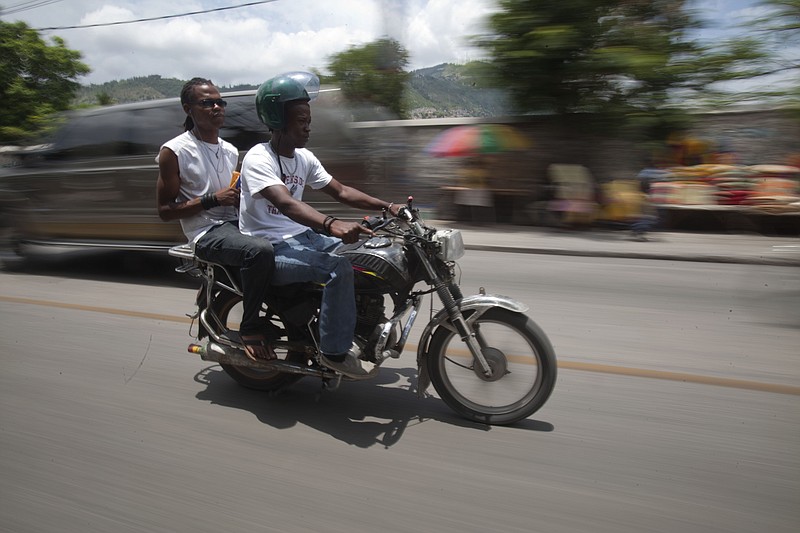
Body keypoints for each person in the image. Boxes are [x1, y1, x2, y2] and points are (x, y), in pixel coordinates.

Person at [238, 72, 400, 379]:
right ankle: (334, 352)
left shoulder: (304, 158)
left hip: (304, 238)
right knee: (336, 269)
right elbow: (286, 203)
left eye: (308, 119)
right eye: (301, 120)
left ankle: (367, 324)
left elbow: (341, 191)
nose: (308, 126)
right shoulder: (258, 159)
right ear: (278, 120)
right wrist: (331, 223)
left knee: (365, 256)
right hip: (271, 248)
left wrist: (387, 206)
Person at [156, 78, 276, 361]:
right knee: (259, 251)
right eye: (207, 103)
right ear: (189, 109)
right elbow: (165, 211)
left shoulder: (230, 150)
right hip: (205, 232)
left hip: (235, 225)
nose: (216, 107)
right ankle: (250, 327)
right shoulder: (173, 152)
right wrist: (212, 199)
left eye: (220, 102)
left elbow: (232, 197)